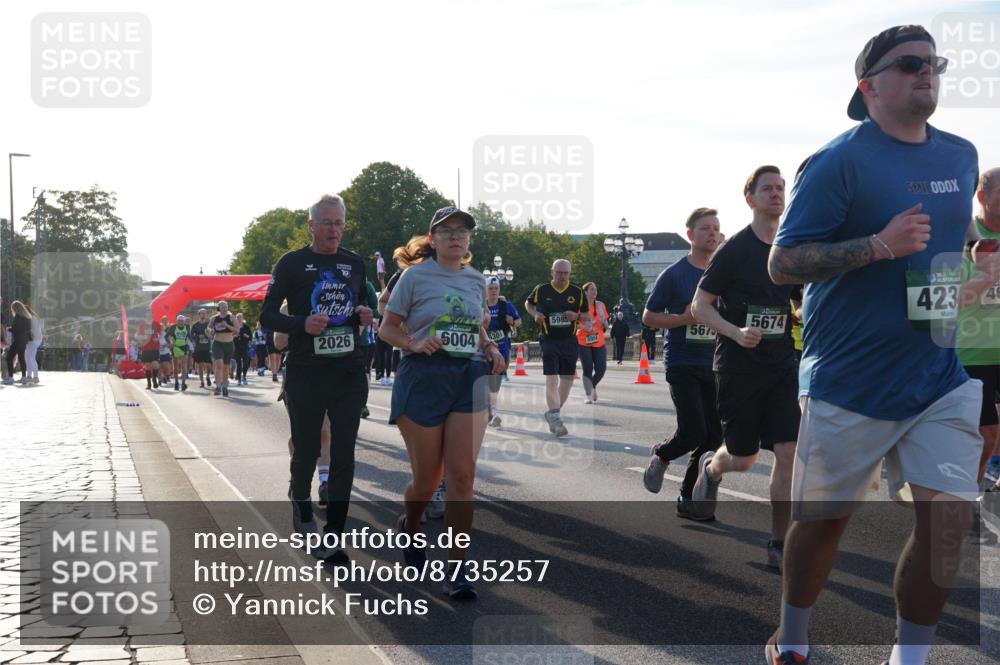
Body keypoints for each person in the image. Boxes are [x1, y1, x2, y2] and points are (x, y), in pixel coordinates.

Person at [764, 25, 990, 665]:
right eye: (910, 63)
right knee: (825, 523)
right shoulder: (838, 161)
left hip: (938, 377)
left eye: (934, 62)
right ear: (868, 86)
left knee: (947, 525)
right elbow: (783, 264)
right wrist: (877, 246)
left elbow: (938, 261)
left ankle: (909, 657)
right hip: (850, 383)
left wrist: (973, 278)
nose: (928, 72)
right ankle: (795, 635)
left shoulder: (961, 156)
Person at [379, 205, 506, 600]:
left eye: (462, 231)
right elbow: (387, 329)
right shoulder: (413, 277)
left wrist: (489, 347)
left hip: (468, 377)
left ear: (468, 240)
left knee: (462, 477)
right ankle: (412, 528)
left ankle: (457, 566)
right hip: (424, 377)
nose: (455, 236)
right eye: (446, 231)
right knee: (427, 479)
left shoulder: (475, 280)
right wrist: (413, 342)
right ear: (432, 239)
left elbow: (476, 326)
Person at [690, 165, 801, 572]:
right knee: (744, 458)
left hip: (780, 364)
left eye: (780, 188)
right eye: (767, 189)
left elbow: (796, 300)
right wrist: (735, 332)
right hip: (738, 366)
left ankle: (778, 542)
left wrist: (803, 312)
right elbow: (698, 305)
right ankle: (712, 467)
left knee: (788, 452)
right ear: (750, 199)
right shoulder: (734, 249)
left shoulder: (790, 247)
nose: (776, 194)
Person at [261, 194, 373, 564]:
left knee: (343, 453)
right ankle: (300, 496)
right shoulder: (293, 263)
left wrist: (362, 314)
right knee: (307, 449)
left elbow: (364, 307)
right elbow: (267, 317)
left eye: (339, 223)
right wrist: (301, 324)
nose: (333, 230)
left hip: (348, 370)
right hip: (307, 372)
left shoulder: (354, 263)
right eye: (326, 223)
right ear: (311, 226)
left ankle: (336, 534)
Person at [641, 208, 724, 520]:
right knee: (692, 431)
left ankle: (688, 499)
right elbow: (649, 316)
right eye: (705, 228)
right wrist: (684, 318)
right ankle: (662, 456)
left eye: (716, 228)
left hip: (715, 364)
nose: (713, 233)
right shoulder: (675, 274)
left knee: (714, 436)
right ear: (691, 235)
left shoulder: (723, 274)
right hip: (682, 362)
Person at [957, 168, 1000, 506]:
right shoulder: (964, 237)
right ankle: (969, 491)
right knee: (985, 434)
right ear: (983, 198)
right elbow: (948, 297)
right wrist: (985, 279)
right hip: (973, 350)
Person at [524, 259, 589, 437]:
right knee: (552, 380)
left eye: (565, 273)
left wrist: (575, 315)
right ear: (552, 272)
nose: (562, 276)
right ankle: (556, 419)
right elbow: (528, 303)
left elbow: (586, 316)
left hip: (569, 340)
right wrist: (535, 313)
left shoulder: (577, 292)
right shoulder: (541, 289)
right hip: (549, 339)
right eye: (558, 272)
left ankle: (553, 412)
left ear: (570, 273)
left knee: (567, 381)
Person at [485, 276, 521, 423]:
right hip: (486, 348)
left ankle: (491, 409)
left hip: (503, 347)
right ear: (485, 290)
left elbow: (519, 321)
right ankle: (493, 412)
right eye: (490, 288)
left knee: (496, 381)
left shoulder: (506, 305)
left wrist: (513, 321)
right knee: (488, 379)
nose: (493, 291)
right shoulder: (481, 305)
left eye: (496, 288)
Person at [576, 281, 608, 403]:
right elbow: (573, 325)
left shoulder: (600, 305)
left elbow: (605, 323)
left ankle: (592, 386)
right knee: (587, 368)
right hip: (583, 341)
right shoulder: (579, 308)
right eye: (591, 289)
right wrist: (584, 327)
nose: (594, 291)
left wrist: (605, 325)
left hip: (598, 341)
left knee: (601, 369)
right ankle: (588, 394)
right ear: (585, 292)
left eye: (595, 289)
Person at [209, 301, 238, 397]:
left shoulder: (232, 318)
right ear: (219, 308)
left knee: (225, 368)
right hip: (217, 343)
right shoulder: (214, 319)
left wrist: (227, 325)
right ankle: (218, 387)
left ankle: (225, 386)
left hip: (229, 344)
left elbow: (237, 330)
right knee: (219, 365)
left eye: (226, 307)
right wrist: (210, 333)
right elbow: (208, 329)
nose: (224, 309)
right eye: (222, 307)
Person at [3, 301, 32, 385]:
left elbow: (17, 329)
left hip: (17, 340)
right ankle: (24, 377)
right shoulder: (28, 317)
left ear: (15, 308)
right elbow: (27, 330)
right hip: (23, 341)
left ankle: (11, 377)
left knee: (9, 358)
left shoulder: (18, 317)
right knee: (21, 358)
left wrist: (10, 329)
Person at [166, 315, 191, 391]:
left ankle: (183, 383)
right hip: (175, 347)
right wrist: (170, 343)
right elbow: (166, 336)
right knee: (176, 366)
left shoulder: (187, 327)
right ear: (176, 321)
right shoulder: (173, 327)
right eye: (179, 321)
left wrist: (193, 341)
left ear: (184, 322)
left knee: (184, 365)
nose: (181, 323)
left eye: (182, 321)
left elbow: (189, 335)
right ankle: (176, 383)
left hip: (184, 347)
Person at [190, 309, 213, 388]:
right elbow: (191, 335)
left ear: (206, 314)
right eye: (201, 313)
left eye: (204, 313)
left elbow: (212, 334)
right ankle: (202, 381)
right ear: (199, 315)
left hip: (207, 347)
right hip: (198, 348)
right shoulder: (195, 325)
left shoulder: (208, 324)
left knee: (209, 365)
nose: (203, 315)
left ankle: (207, 377)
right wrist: (197, 337)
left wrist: (207, 335)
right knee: (200, 365)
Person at [138, 318, 161, 389]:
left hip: (155, 348)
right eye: (147, 313)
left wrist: (158, 338)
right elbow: (138, 335)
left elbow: (162, 332)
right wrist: (143, 337)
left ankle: (154, 379)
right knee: (147, 366)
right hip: (145, 348)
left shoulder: (156, 324)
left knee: (155, 365)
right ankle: (149, 383)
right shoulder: (142, 324)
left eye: (150, 312)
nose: (149, 315)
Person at [25, 303, 43, 384]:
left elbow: (34, 331)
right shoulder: (30, 317)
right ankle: (29, 376)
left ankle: (35, 377)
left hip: (34, 340)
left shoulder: (33, 318)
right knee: (28, 357)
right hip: (31, 340)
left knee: (31, 357)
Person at [233, 313, 253, 386]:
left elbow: (250, 337)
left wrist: (245, 335)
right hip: (236, 347)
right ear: (235, 319)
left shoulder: (246, 327)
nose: (239, 319)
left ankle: (244, 376)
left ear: (242, 318)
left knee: (246, 362)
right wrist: (235, 335)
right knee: (238, 363)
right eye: (237, 317)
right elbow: (230, 336)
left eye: (240, 317)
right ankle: (239, 379)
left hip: (245, 347)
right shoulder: (234, 327)